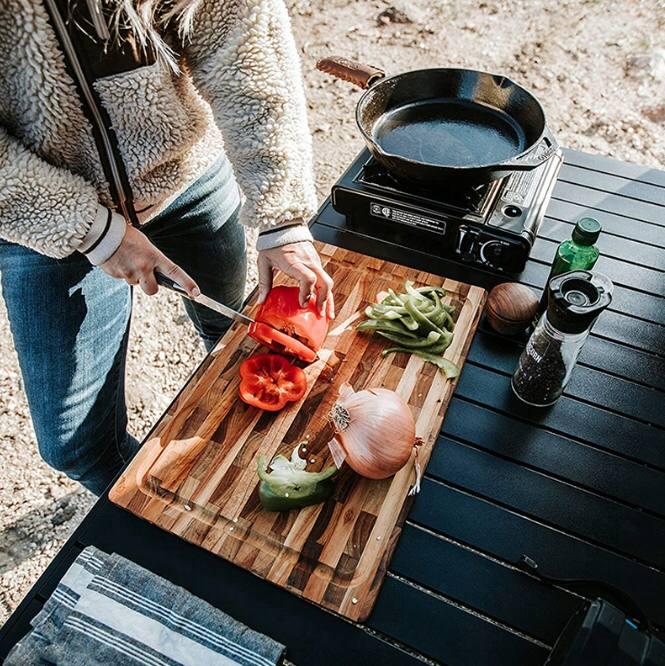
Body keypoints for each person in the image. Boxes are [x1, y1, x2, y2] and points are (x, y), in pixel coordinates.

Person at [0, 0, 334, 496]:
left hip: (188, 179)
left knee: (229, 331)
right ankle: (153, 507)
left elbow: (242, 36)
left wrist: (280, 213)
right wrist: (91, 230)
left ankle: (232, 450)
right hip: (42, 213)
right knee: (75, 445)